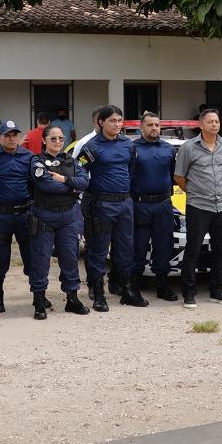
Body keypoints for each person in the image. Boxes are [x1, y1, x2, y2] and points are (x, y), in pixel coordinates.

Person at [78, 105, 143, 309]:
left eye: (119, 121)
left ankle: (127, 291)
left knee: (125, 248)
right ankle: (98, 294)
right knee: (98, 250)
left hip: (124, 203)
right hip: (101, 204)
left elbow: (130, 170)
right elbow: (80, 172)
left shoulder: (128, 145)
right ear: (101, 123)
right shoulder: (91, 147)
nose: (117, 124)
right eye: (112, 121)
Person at [29, 124, 91, 318]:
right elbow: (46, 185)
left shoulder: (71, 160)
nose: (58, 142)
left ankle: (72, 298)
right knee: (41, 259)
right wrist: (72, 187)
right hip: (45, 216)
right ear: (44, 140)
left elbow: (85, 182)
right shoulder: (37, 161)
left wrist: (64, 180)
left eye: (61, 139)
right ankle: (39, 301)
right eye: (53, 139)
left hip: (68, 217)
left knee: (70, 258)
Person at [174, 108, 222, 307]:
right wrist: (195, 191)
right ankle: (188, 293)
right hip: (198, 206)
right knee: (193, 249)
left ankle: (217, 290)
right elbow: (179, 176)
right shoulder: (189, 147)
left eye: (216, 121)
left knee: (220, 249)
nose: (214, 124)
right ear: (201, 125)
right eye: (210, 121)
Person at [0, 119, 34, 313]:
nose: (12, 139)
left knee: (31, 256)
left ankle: (38, 295)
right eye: (7, 135)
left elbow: (33, 184)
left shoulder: (29, 157)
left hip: (25, 214)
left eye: (15, 135)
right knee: (0, 258)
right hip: (1, 216)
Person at [130, 112, 179, 301]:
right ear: (141, 127)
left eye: (157, 125)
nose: (154, 128)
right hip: (140, 205)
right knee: (138, 248)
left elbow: (174, 175)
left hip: (164, 205)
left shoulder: (168, 149)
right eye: (150, 125)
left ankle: (162, 286)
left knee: (163, 247)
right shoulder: (132, 148)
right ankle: (134, 287)